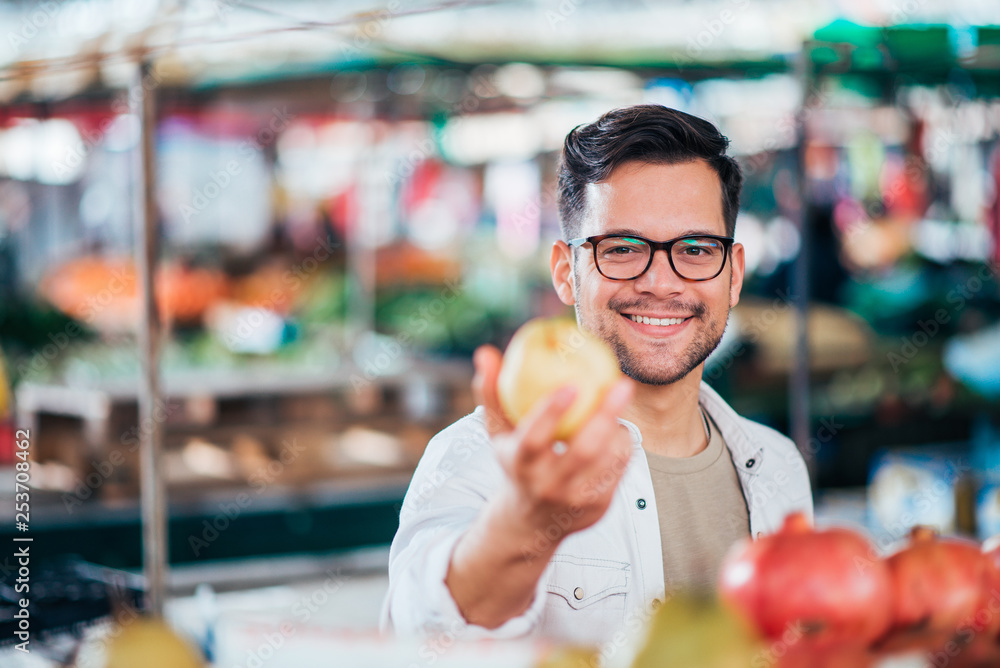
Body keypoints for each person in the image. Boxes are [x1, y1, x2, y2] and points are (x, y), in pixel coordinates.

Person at [380, 104, 813, 645]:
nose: (661, 282)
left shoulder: (778, 467)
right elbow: (423, 637)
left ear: (733, 276)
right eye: (623, 249)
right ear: (566, 272)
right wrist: (526, 522)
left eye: (697, 249)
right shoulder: (480, 460)